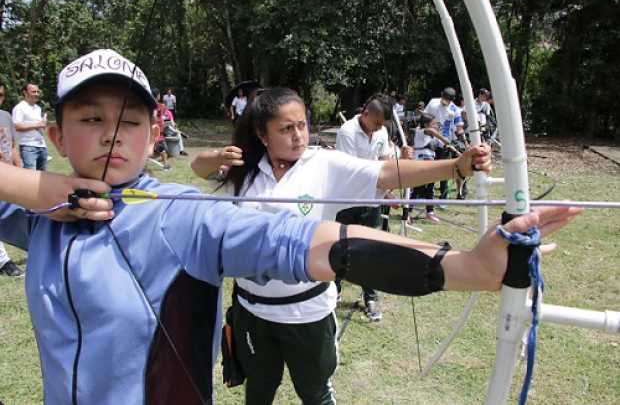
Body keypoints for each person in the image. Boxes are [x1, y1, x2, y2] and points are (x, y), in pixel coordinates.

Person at [0, 49, 579, 405]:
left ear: (154, 133)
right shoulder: (41, 216)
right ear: (55, 135)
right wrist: (33, 190)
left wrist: (459, 266)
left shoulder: (180, 216)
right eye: (90, 118)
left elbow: (309, 241)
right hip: (252, 316)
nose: (109, 135)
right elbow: (209, 167)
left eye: (130, 121)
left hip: (303, 311)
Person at [191, 87, 491, 404]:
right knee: (259, 392)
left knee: (315, 394)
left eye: (302, 125)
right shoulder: (245, 169)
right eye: (286, 129)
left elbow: (386, 173)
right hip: (251, 312)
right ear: (262, 135)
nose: (298, 136)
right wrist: (218, 157)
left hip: (306, 314)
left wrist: (455, 166)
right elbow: (199, 169)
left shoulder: (323, 164)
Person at [335, 94, 412, 321]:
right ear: (366, 114)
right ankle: (335, 289)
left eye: (382, 125)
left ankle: (370, 296)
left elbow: (385, 163)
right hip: (347, 202)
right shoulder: (347, 132)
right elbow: (353, 172)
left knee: (370, 250)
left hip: (372, 202)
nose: (379, 128)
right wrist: (385, 184)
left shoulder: (381, 131)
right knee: (342, 246)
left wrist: (400, 162)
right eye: (377, 123)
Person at [0, 81, 24, 277]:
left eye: (1, 95)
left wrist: (19, 167)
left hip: (9, 175)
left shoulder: (6, 116)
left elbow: (13, 144)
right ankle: (4, 261)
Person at [425, 87, 466, 200]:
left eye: (448, 100)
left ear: (452, 100)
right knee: (430, 168)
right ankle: (426, 193)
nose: (445, 101)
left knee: (444, 169)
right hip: (430, 141)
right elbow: (424, 118)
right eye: (444, 98)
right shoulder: (433, 102)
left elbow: (459, 127)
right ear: (441, 94)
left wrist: (463, 138)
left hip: (446, 143)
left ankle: (443, 196)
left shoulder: (455, 110)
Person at [410, 112, 446, 223]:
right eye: (433, 123)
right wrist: (445, 140)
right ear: (426, 124)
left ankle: (429, 212)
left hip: (430, 162)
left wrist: (446, 145)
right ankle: (407, 213)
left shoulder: (430, 135)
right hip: (421, 162)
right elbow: (431, 131)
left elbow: (438, 142)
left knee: (429, 188)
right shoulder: (421, 131)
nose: (435, 126)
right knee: (417, 189)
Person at [12, 82, 48, 170]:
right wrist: (37, 124)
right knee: (30, 177)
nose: (36, 94)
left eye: (37, 92)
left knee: (42, 177)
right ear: (25, 92)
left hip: (42, 146)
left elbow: (38, 126)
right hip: (28, 147)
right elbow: (17, 126)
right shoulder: (19, 108)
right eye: (33, 92)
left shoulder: (38, 108)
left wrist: (43, 123)